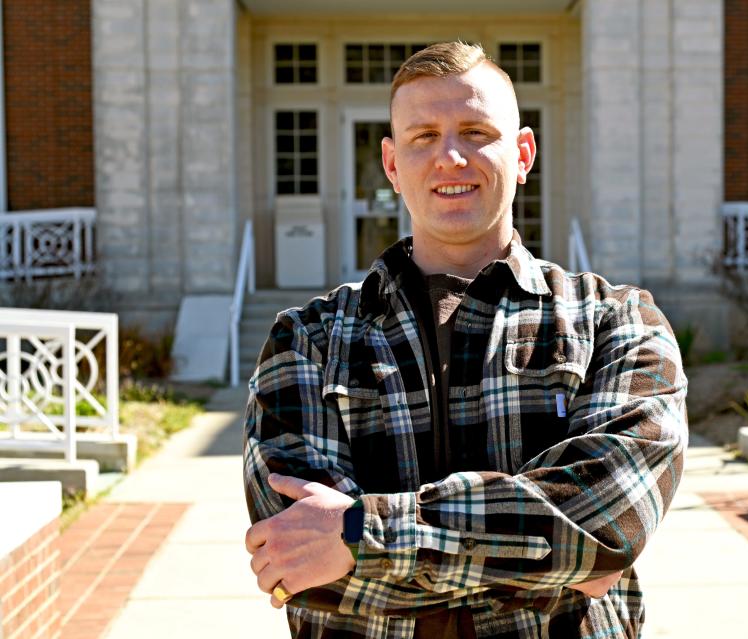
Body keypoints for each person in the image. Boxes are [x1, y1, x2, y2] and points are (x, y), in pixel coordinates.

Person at [243, 41, 687, 639]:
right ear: (393, 163)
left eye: (476, 131)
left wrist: (356, 533)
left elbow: (607, 526)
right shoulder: (308, 340)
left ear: (523, 153)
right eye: (423, 136)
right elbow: (298, 562)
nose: (450, 157)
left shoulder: (615, 321)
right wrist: (550, 563)